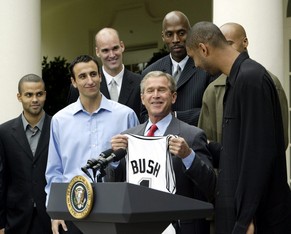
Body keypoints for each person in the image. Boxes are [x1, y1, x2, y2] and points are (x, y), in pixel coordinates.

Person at [186, 21, 291, 234]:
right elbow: (241, 151)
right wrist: (211, 148)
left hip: (256, 220)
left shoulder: (251, 79)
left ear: (203, 49)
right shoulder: (237, 81)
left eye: (193, 57)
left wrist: (246, 218)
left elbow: (259, 156)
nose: (195, 65)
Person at [110, 71, 216, 234]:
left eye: (162, 90)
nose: (156, 95)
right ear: (142, 98)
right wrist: (115, 160)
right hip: (137, 226)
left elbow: (211, 186)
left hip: (180, 228)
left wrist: (189, 156)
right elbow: (115, 186)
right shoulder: (128, 137)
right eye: (150, 90)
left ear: (173, 97)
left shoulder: (192, 136)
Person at [45, 55, 139, 234]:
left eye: (93, 74)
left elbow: (137, 166)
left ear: (100, 77)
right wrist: (55, 211)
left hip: (115, 208)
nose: (90, 80)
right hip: (72, 208)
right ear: (73, 82)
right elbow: (54, 171)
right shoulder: (59, 120)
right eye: (82, 76)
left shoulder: (126, 115)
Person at [198, 22, 289, 149]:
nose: (226, 50)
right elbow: (205, 143)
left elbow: (281, 138)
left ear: (245, 42)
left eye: (229, 43)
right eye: (222, 45)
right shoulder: (212, 91)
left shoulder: (270, 82)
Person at [141, 11, 214, 126]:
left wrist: (175, 117)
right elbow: (144, 115)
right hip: (161, 141)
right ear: (163, 37)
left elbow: (212, 111)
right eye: (169, 34)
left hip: (194, 140)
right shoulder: (150, 72)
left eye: (181, 33)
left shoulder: (207, 68)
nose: (176, 39)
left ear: (190, 33)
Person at [0, 74, 52, 234]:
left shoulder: (58, 127)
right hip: (16, 220)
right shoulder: (4, 132)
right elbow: (1, 179)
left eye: (39, 94)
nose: (35, 99)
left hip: (51, 219)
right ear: (19, 97)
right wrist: (1, 223)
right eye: (29, 95)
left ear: (45, 94)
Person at [67, 27, 142, 121]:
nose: (112, 55)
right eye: (105, 50)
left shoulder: (140, 83)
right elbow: (73, 118)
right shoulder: (81, 86)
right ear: (97, 52)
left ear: (122, 46)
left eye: (115, 48)